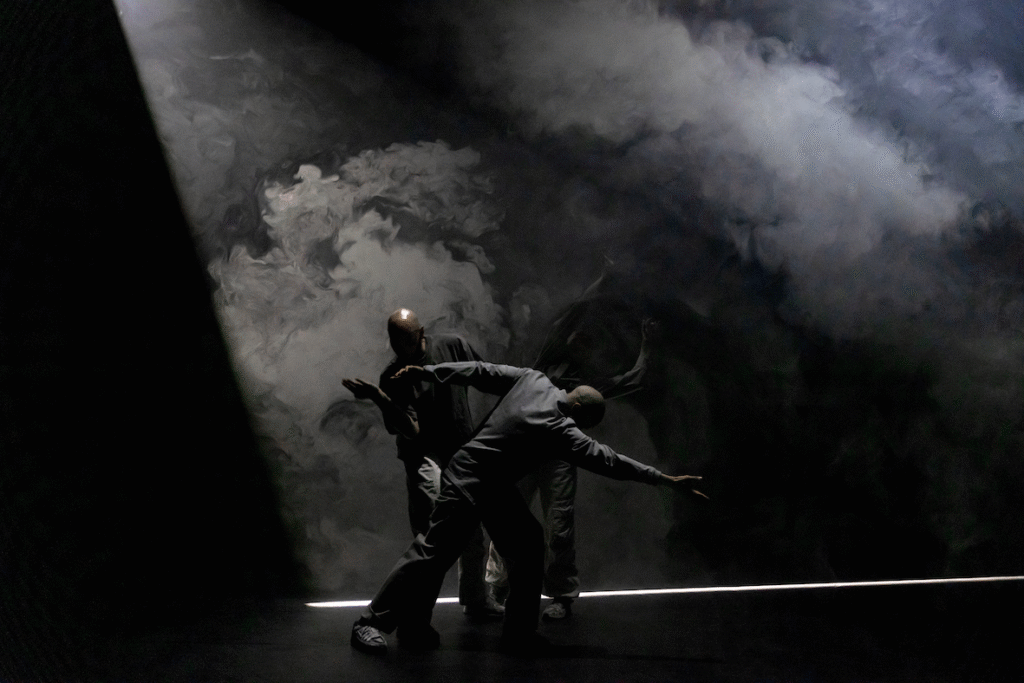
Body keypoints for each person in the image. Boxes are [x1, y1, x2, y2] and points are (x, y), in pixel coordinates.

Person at [349, 360, 706, 656]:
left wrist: (428, 371)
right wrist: (664, 479)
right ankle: (369, 622)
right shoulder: (560, 428)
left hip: (491, 485)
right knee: (432, 552)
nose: (580, 429)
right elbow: (608, 460)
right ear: (577, 411)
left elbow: (480, 371)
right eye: (584, 424)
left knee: (528, 543)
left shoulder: (533, 379)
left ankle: (518, 633)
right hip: (470, 480)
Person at [485, 315, 657, 621]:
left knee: (559, 524)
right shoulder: (543, 367)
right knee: (509, 517)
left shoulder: (588, 384)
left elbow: (634, 379)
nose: (579, 344)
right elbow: (561, 325)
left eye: (585, 342)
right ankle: (497, 587)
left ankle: (561, 594)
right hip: (525, 449)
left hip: (558, 455)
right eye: (576, 339)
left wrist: (647, 345)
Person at [342, 308, 500, 619]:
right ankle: (413, 616)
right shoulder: (392, 377)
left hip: (458, 449)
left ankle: (475, 599)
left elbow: (483, 376)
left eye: (406, 339)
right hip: (422, 455)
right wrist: (379, 397)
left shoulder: (452, 346)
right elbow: (412, 431)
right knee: (432, 534)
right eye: (394, 339)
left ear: (422, 333)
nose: (399, 346)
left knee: (471, 527)